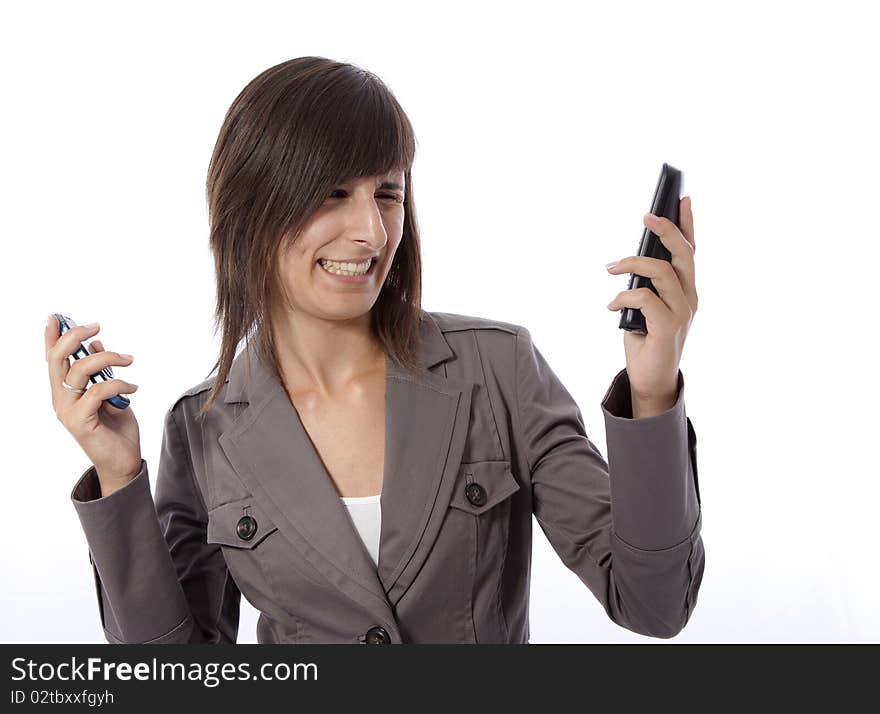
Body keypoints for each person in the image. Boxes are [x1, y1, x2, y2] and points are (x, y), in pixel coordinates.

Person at [44, 56, 704, 644]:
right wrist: (117, 476)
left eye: (387, 193)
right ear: (251, 208)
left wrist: (651, 389)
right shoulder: (202, 429)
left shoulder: (498, 371)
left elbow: (653, 603)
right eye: (332, 194)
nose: (370, 232)